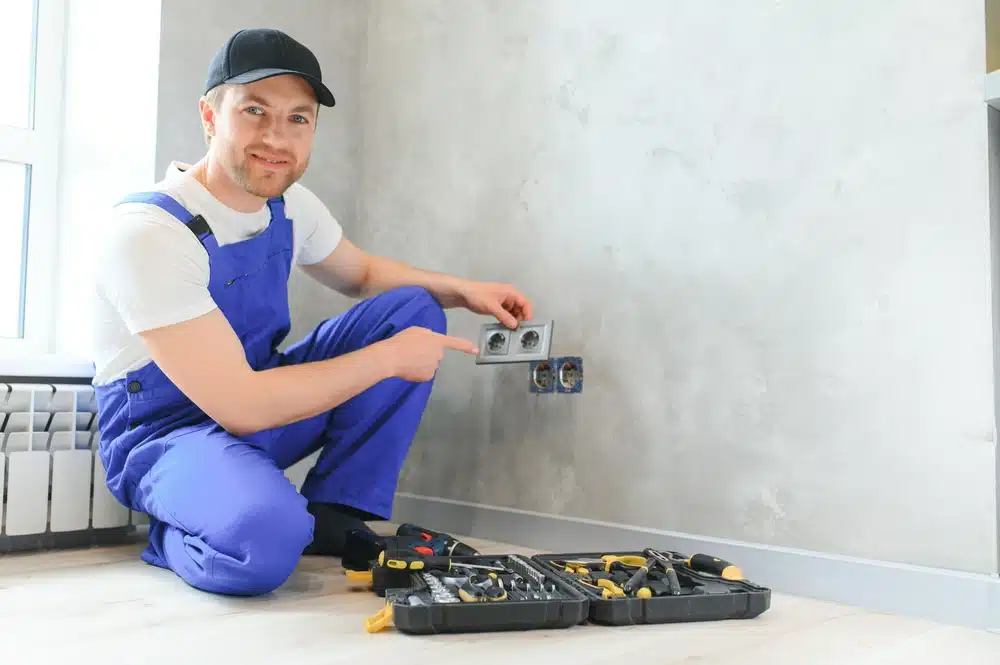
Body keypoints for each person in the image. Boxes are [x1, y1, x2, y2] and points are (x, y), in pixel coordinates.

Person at [90, 27, 532, 596]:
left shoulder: (290, 206)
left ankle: (335, 513)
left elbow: (361, 274)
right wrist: (389, 360)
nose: (276, 137)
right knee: (265, 545)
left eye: (297, 118)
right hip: (169, 437)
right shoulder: (149, 233)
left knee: (412, 309)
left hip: (259, 398)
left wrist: (463, 290)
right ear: (209, 115)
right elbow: (241, 405)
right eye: (255, 111)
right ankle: (183, 529)